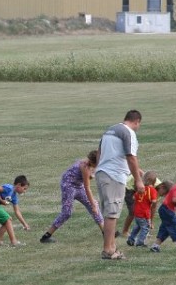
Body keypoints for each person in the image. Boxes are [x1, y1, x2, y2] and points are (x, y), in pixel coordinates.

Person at [95, 110, 144, 260]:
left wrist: (99, 167)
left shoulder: (110, 130)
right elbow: (131, 156)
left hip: (102, 173)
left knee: (109, 212)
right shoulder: (128, 132)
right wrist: (138, 180)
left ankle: (112, 246)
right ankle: (108, 250)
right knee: (112, 213)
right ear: (136, 122)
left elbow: (99, 152)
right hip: (114, 176)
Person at [40, 150, 104, 243]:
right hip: (68, 186)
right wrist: (93, 205)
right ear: (93, 162)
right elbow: (87, 187)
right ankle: (46, 236)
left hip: (78, 185)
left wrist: (93, 204)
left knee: (93, 204)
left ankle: (105, 232)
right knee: (67, 213)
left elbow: (89, 176)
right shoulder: (85, 166)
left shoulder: (90, 163)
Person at [0, 175, 30, 246]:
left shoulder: (14, 197)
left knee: (7, 221)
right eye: (24, 188)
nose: (25, 191)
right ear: (19, 185)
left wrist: (24, 224)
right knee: (8, 219)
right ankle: (14, 241)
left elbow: (17, 211)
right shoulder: (8, 188)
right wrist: (1, 201)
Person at [126, 171, 160, 247]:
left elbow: (134, 197)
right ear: (154, 182)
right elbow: (154, 201)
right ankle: (140, 242)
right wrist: (152, 200)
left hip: (137, 211)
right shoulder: (152, 190)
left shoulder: (141, 189)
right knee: (145, 228)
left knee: (138, 226)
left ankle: (131, 239)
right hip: (144, 212)